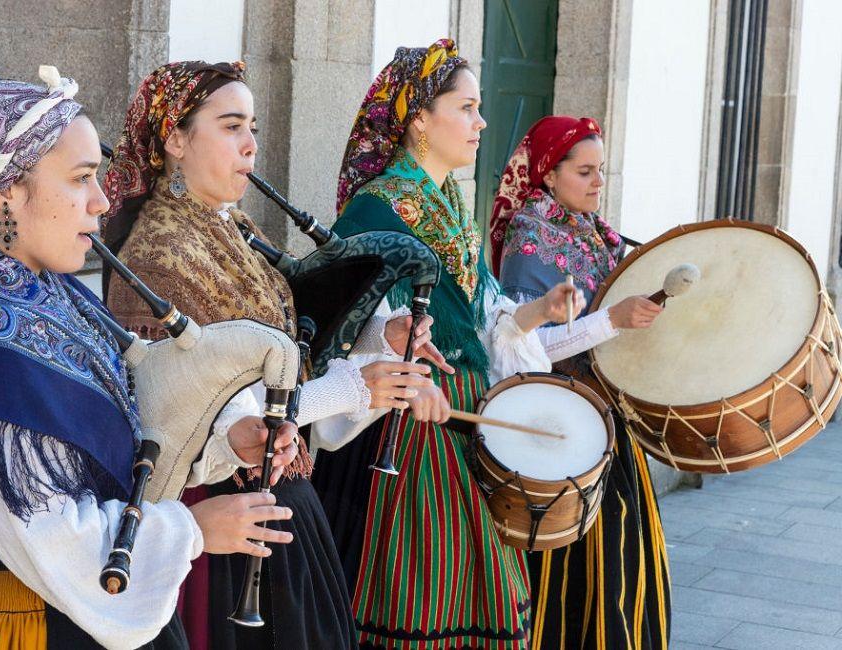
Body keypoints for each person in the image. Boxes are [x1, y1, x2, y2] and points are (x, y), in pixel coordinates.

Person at [0, 68, 298, 650]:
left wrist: (221, 446)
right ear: (8, 193)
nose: (103, 201)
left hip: (89, 609)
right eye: (82, 179)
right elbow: (49, 536)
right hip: (29, 622)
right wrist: (193, 530)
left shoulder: (52, 296)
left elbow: (115, 446)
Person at [101, 60, 448, 649]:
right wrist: (356, 388)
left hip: (275, 506)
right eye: (232, 127)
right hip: (223, 530)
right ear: (175, 139)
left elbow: (283, 358)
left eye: (253, 128)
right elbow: (200, 419)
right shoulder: (158, 257)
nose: (251, 145)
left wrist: (375, 343)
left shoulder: (230, 229)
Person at [318, 39, 602, 649]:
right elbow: (336, 328)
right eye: (467, 108)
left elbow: (482, 315)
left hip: (465, 418)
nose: (482, 122)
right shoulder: (375, 209)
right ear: (420, 117)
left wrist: (540, 311)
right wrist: (392, 345)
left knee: (481, 591)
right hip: (407, 429)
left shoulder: (450, 201)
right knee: (422, 600)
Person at [489, 115, 670, 649]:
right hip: (561, 430)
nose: (597, 183)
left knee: (626, 563)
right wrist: (611, 319)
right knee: (577, 581)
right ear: (548, 175)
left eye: (601, 171)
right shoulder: (531, 242)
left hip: (607, 419)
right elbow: (527, 349)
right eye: (584, 171)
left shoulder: (596, 234)